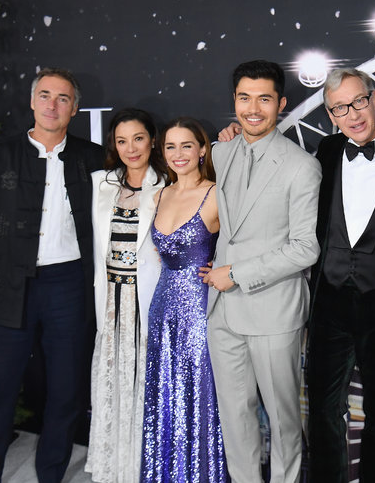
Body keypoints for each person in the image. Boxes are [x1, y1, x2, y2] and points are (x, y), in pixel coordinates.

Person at [0, 67, 103, 482]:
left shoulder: (93, 158)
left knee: (66, 389)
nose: (52, 105)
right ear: (32, 101)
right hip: (10, 285)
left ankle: (50, 473)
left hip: (70, 286)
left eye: (62, 98)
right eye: (45, 95)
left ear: (74, 109)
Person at [202, 60, 321, 483]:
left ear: (281, 103)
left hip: (273, 310)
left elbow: (306, 248)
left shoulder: (301, 165)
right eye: (244, 98)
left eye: (264, 99)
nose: (253, 109)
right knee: (235, 418)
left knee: (284, 420)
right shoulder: (220, 152)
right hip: (222, 311)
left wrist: (237, 273)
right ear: (234, 101)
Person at [306, 68, 375, 482]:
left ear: (374, 98)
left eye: (359, 101)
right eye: (340, 108)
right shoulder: (326, 151)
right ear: (331, 115)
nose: (353, 114)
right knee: (322, 409)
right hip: (329, 297)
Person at [140, 117, 227, 482]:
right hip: (162, 309)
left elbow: (244, 242)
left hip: (201, 311)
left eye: (186, 145)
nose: (178, 154)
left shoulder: (217, 194)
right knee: (165, 396)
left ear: (202, 149)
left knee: (201, 395)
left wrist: (225, 267)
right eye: (170, 146)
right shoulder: (159, 195)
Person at [85, 108, 167, 482]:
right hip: (110, 300)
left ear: (153, 140)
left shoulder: (168, 183)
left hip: (148, 300)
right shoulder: (99, 183)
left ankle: (142, 466)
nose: (130, 148)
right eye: (121, 141)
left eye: (138, 138)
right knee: (113, 380)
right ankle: (113, 465)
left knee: (145, 381)